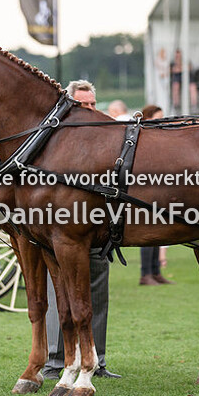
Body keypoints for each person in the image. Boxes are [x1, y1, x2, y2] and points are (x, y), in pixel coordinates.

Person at [41, 80, 120, 380]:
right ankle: (56, 360)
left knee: (97, 295)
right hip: (64, 231)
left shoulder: (108, 135)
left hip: (99, 229)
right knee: (61, 294)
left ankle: (96, 360)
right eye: (81, 105)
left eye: (91, 104)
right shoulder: (56, 142)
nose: (88, 110)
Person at [138, 104, 173, 286]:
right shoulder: (142, 136)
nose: (161, 121)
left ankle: (155, 272)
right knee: (148, 233)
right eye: (157, 117)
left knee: (157, 232)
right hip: (145, 189)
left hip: (156, 188)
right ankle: (146, 274)